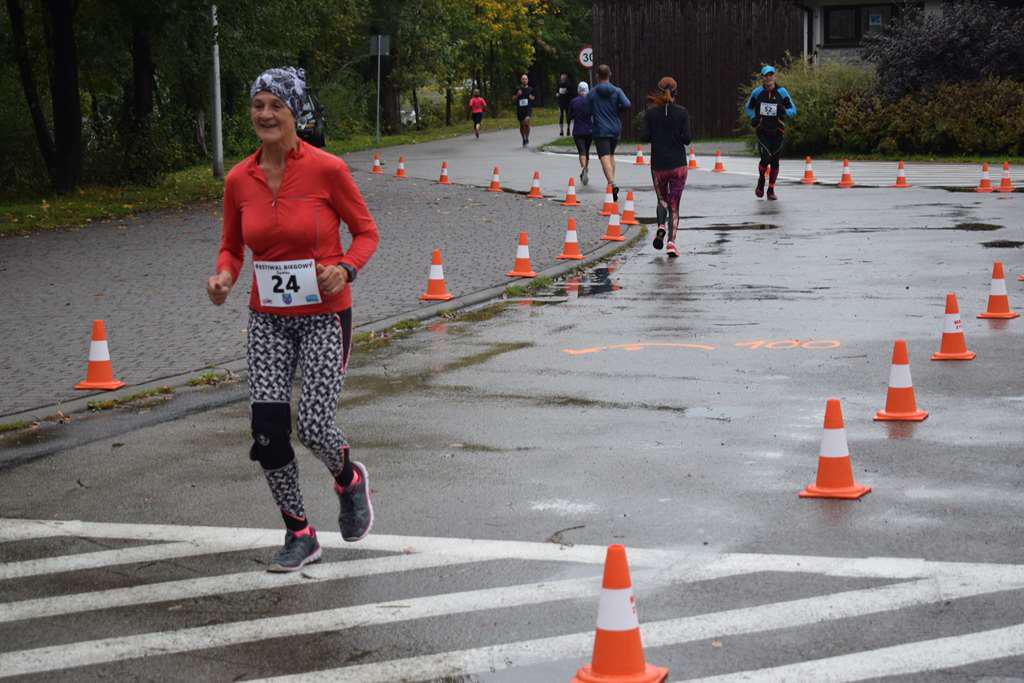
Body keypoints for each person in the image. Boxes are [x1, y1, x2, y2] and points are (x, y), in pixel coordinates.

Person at [207, 67, 380, 573]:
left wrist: (345, 269)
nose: (264, 114)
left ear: (295, 112)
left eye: (275, 105)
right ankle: (299, 532)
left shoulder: (328, 170)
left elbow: (366, 233)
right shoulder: (239, 179)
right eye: (257, 105)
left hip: (325, 315)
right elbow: (231, 246)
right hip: (268, 319)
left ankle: (349, 479)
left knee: (314, 425)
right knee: (267, 429)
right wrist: (223, 276)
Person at [641, 76, 691, 258]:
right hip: (678, 165)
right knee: (674, 205)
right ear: (676, 92)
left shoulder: (650, 113)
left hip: (658, 165)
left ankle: (661, 226)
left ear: (659, 91)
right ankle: (671, 243)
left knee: (662, 200)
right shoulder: (682, 113)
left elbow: (644, 137)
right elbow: (687, 139)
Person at [744, 65, 796, 201]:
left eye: (771, 75)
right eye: (766, 75)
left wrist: (784, 111)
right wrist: (753, 118)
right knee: (766, 158)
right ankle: (761, 180)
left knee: (775, 161)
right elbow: (748, 108)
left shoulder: (782, 92)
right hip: (763, 131)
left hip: (778, 131)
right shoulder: (757, 93)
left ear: (774, 76)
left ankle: (771, 189)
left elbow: (793, 110)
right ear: (762, 78)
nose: (769, 78)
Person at [587, 64, 631, 202]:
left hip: (600, 129)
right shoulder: (617, 91)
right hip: (615, 128)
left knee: (604, 157)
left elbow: (586, 109)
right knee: (611, 155)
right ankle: (611, 183)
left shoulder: (592, 93)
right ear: (610, 74)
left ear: (597, 76)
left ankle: (612, 183)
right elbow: (627, 104)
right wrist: (617, 110)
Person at [569, 81, 593, 186]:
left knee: (581, 151)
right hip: (589, 131)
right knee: (586, 151)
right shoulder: (591, 101)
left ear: (578, 90)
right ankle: (586, 169)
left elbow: (570, 116)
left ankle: (583, 168)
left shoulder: (573, 101)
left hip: (578, 131)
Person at [513, 74, 536, 147]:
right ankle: (523, 138)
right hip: (520, 109)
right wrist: (517, 94)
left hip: (528, 109)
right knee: (521, 125)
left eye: (525, 79)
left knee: (526, 123)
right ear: (521, 80)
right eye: (523, 79)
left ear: (527, 80)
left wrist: (531, 97)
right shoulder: (518, 89)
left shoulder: (530, 89)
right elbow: (513, 98)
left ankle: (527, 137)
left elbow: (533, 98)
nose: (524, 80)